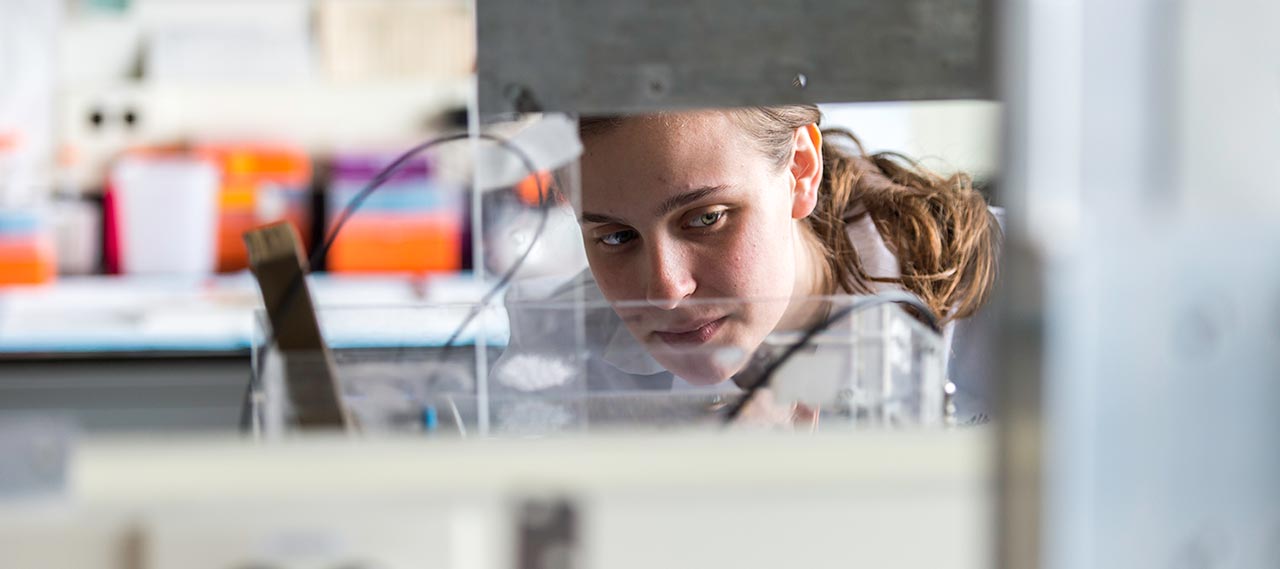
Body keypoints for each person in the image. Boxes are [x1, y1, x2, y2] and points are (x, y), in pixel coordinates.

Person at [493, 104, 999, 422]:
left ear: (801, 170)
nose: (666, 289)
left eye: (706, 218)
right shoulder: (553, 357)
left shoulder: (1011, 288)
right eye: (616, 236)